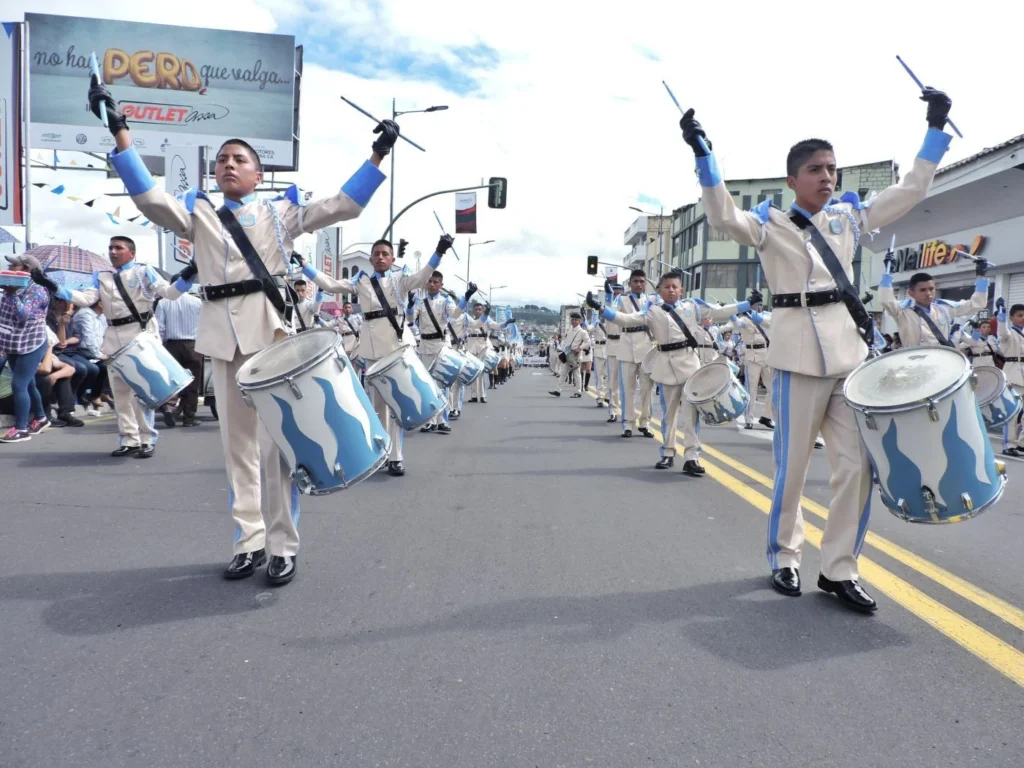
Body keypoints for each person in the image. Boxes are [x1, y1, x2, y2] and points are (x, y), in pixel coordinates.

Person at [84, 76, 395, 584]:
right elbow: (150, 200)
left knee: (276, 450)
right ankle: (247, 540)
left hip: (270, 341)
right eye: (222, 159)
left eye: (239, 160)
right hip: (222, 344)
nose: (228, 164)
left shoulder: (281, 212)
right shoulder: (200, 212)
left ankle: (282, 545)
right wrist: (119, 130)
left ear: (258, 173)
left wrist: (377, 155)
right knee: (236, 449)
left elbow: (342, 205)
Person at [680, 83, 955, 613]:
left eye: (833, 169)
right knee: (794, 467)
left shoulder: (850, 218)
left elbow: (910, 192)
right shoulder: (769, 226)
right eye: (816, 170)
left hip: (848, 358)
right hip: (796, 357)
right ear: (792, 180)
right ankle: (785, 556)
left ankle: (839, 568)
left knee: (858, 467)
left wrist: (935, 128)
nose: (827, 178)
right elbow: (722, 219)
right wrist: (705, 159)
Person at [299, 236, 454, 475]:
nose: (380, 257)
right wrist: (303, 265)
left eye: (385, 254)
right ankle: (382, 453)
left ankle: (396, 457)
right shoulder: (360, 281)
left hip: (396, 349)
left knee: (397, 406)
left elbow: (423, 276)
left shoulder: (400, 279)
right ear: (371, 260)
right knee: (377, 406)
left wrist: (439, 251)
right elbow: (329, 284)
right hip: (372, 351)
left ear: (392, 259)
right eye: (376, 254)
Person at [41, 236, 189, 459]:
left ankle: (147, 439)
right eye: (110, 247)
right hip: (112, 338)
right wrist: (54, 287)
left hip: (140, 336)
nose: (112, 251)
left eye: (118, 248)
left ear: (132, 253)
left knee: (143, 393)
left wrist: (189, 274)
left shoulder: (143, 271)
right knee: (120, 395)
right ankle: (129, 439)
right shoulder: (101, 277)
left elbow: (168, 293)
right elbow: (85, 297)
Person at [590, 273, 748, 474]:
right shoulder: (652, 311)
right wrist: (601, 309)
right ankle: (667, 452)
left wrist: (747, 304)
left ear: (681, 290)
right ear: (659, 291)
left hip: (690, 364)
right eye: (667, 287)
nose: (671, 290)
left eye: (675, 286)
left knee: (691, 415)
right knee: (669, 414)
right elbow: (627, 319)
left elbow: (720, 312)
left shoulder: (692, 307)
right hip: (665, 364)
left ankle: (692, 456)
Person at [407, 271, 469, 434]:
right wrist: (409, 305)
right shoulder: (421, 302)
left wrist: (466, 298)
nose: (432, 284)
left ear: (441, 285)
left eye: (436, 282)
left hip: (442, 345)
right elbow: (411, 319)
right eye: (430, 282)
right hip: (426, 346)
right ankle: (430, 421)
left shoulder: (445, 301)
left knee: (443, 383)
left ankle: (443, 420)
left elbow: (455, 315)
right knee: (428, 384)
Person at [1, 256, 53, 442]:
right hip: (13, 342)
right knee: (28, 383)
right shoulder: (10, 290)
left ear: (27, 270)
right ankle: (40, 417)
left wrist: (12, 294)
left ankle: (21, 428)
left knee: (18, 384)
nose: (9, 267)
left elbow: (23, 315)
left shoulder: (38, 290)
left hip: (32, 343)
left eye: (14, 265)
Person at [878, 267, 988, 347]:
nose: (928, 293)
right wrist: (887, 274)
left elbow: (976, 304)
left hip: (939, 363)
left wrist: (981, 277)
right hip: (913, 364)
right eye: (923, 290)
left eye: (931, 289)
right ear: (911, 293)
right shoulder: (902, 311)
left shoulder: (944, 309)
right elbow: (886, 300)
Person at [610, 270, 656, 437]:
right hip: (627, 346)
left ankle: (645, 423)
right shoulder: (622, 300)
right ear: (629, 283)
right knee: (628, 389)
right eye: (635, 281)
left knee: (647, 389)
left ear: (645, 283)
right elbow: (612, 314)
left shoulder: (651, 300)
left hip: (646, 347)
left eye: (642, 281)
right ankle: (628, 424)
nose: (639, 284)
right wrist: (609, 299)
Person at [155, 288, 204, 427]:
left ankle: (169, 409)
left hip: (171, 346)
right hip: (193, 346)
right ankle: (189, 418)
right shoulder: (198, 302)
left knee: (170, 382)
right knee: (192, 384)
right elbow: (204, 326)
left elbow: (160, 328)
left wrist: (161, 347)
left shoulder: (163, 303)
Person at [727, 292, 776, 430]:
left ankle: (766, 416)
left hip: (766, 355)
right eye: (755, 304)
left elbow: (769, 324)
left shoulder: (766, 317)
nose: (758, 307)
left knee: (773, 389)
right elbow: (736, 323)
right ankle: (749, 418)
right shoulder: (745, 320)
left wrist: (754, 315)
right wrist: (732, 311)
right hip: (752, 356)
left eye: (760, 304)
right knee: (751, 390)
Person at [996, 300, 1024, 456]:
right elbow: (1002, 331)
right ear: (1012, 317)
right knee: (1012, 412)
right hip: (1013, 373)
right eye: (1019, 315)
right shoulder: (1007, 333)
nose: (1023, 318)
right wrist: (1001, 313)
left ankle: (1022, 444)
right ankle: (1009, 445)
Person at [466, 302, 503, 404]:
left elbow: (496, 326)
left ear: (482, 311)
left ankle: (482, 395)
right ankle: (473, 395)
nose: (478, 311)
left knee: (481, 372)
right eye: (476, 309)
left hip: (482, 347)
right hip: (471, 347)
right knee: (473, 372)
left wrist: (506, 323)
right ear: (473, 311)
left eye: (480, 309)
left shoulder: (487, 319)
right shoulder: (469, 320)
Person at [549, 312, 590, 398]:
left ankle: (578, 392)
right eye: (572, 319)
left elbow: (588, 343)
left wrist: (579, 348)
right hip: (568, 354)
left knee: (576, 373)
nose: (574, 321)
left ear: (579, 321)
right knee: (563, 373)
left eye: (576, 320)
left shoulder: (582, 332)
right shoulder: (570, 330)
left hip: (575, 356)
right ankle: (558, 390)